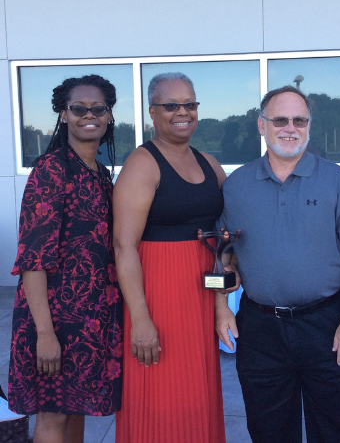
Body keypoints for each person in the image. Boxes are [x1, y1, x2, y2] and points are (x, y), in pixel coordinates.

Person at [216, 86, 340, 443]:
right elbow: (223, 256)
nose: (290, 128)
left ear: (309, 126)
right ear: (262, 125)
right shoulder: (236, 185)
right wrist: (221, 307)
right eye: (280, 120)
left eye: (299, 120)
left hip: (328, 323)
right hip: (260, 330)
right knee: (269, 430)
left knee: (337, 430)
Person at [113, 72, 228, 443]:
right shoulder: (142, 163)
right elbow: (123, 246)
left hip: (200, 296)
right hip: (158, 296)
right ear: (153, 112)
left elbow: (229, 230)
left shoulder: (209, 163)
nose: (183, 112)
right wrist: (141, 321)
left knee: (198, 391)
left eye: (190, 104)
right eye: (171, 105)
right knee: (162, 396)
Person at [8, 75, 123, 443]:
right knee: (53, 415)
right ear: (63, 114)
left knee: (77, 412)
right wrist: (44, 334)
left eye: (98, 109)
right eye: (78, 108)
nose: (88, 116)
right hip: (53, 319)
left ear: (108, 116)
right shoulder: (52, 170)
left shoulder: (100, 175)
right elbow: (33, 259)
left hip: (89, 318)